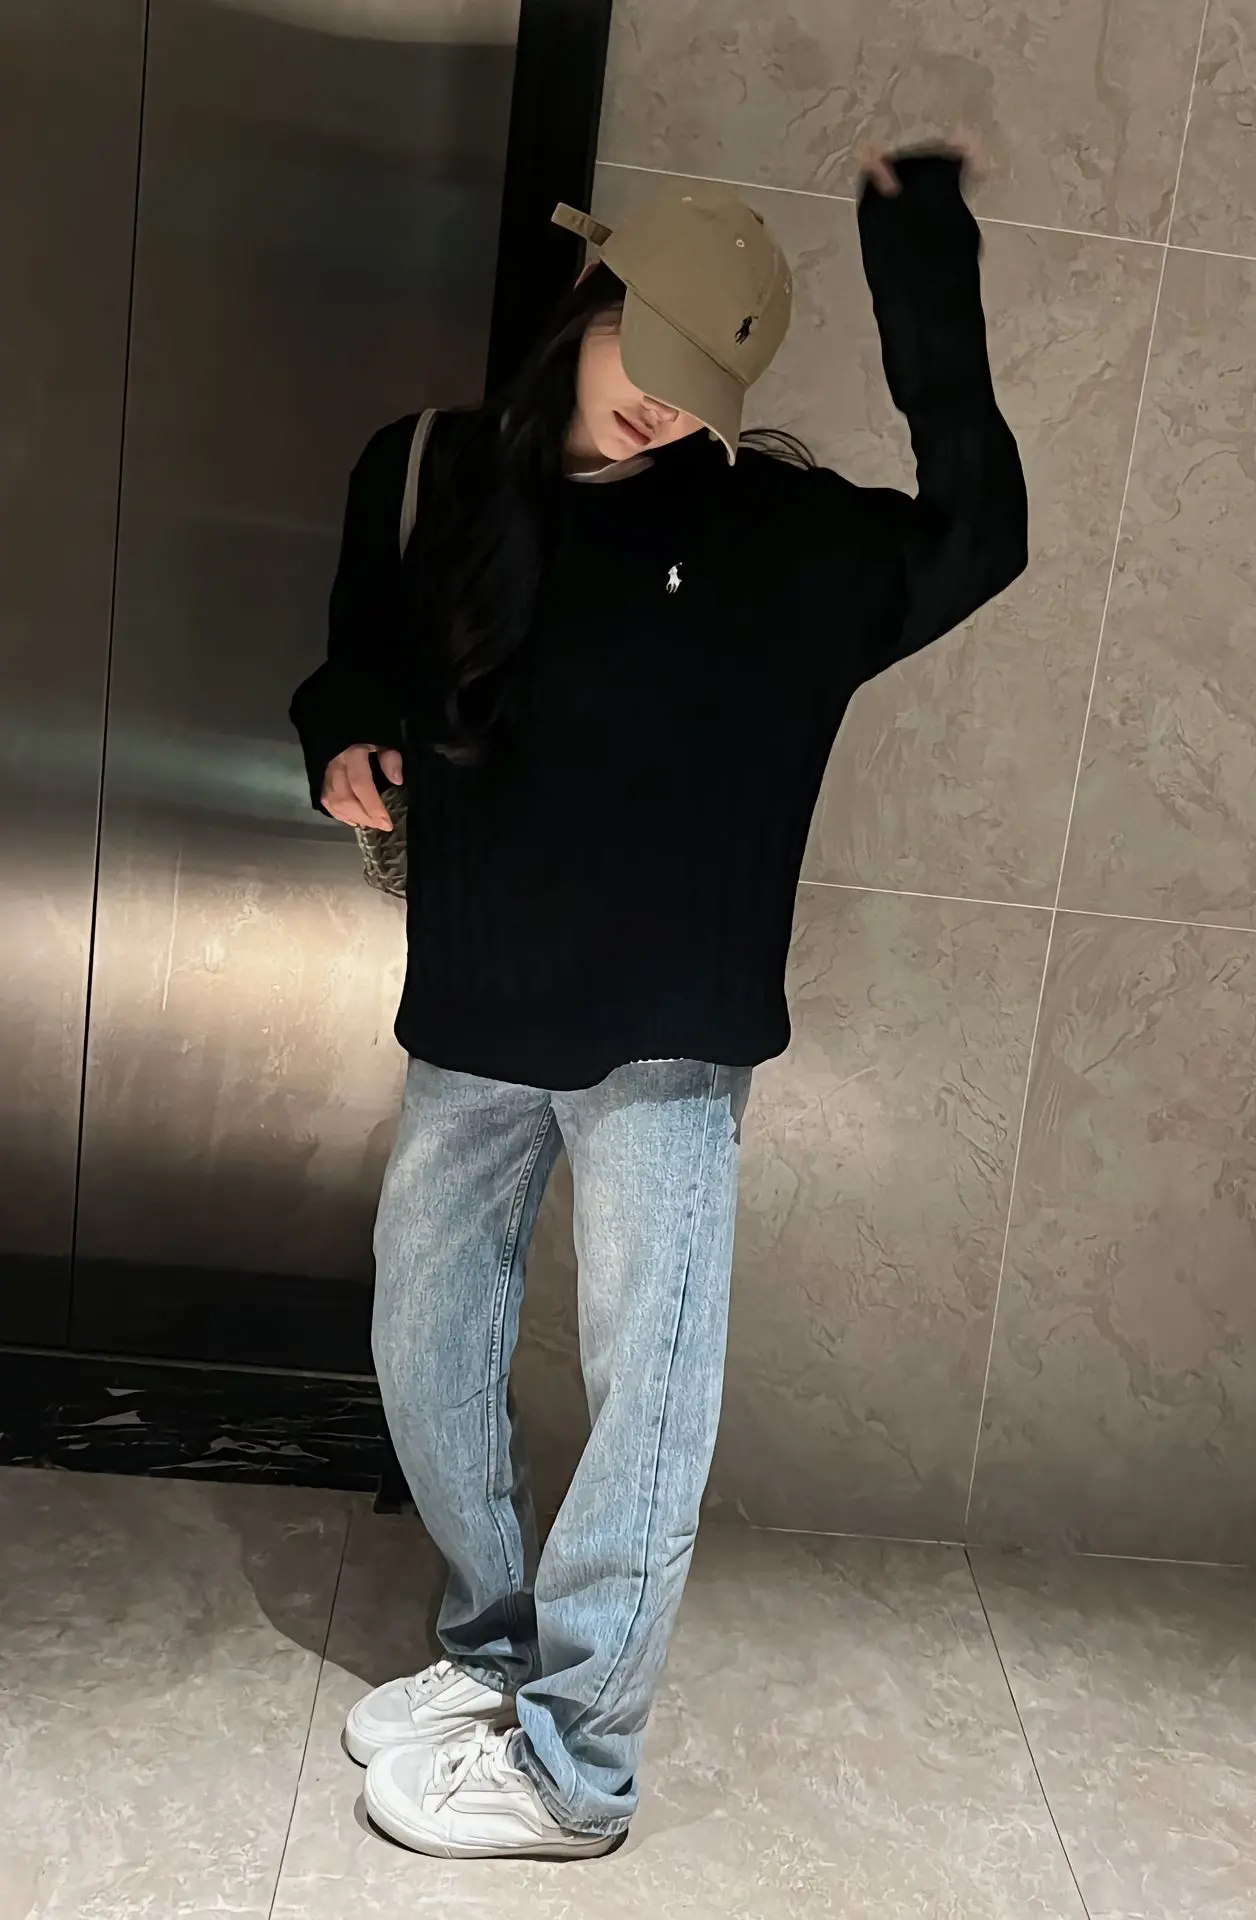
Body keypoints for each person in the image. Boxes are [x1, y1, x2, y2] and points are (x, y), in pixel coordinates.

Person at [289, 138, 1026, 1863]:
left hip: (671, 1036)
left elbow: (981, 535)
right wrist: (342, 736)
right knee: (425, 1334)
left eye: (709, 385)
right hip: (476, 998)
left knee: (651, 1383)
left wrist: (922, 259)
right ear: (592, 297)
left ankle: (578, 1767)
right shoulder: (426, 472)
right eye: (652, 355)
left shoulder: (778, 539)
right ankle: (493, 1648)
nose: (667, 406)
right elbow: (358, 650)